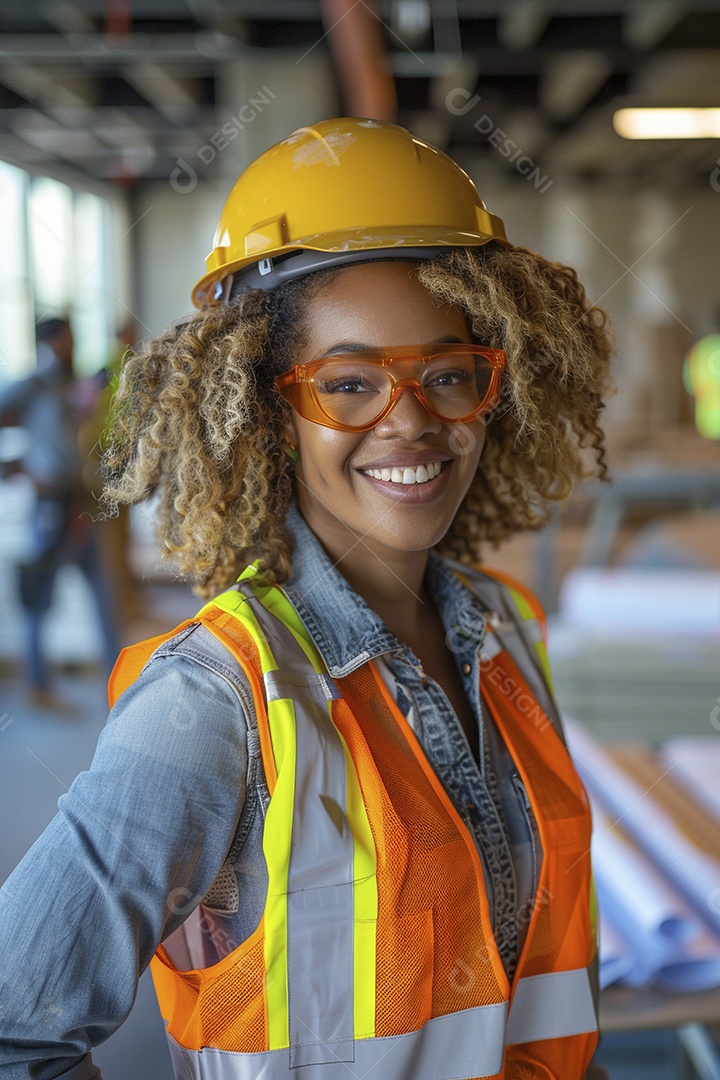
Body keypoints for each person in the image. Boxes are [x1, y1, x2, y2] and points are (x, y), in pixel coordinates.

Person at [0, 119, 613, 1078]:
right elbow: (15, 1031)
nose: (410, 421)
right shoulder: (215, 702)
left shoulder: (505, 634)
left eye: (449, 375)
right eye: (350, 383)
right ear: (272, 414)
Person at [0, 317, 120, 705]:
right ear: (51, 341)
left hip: (83, 503)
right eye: (65, 337)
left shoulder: (75, 384)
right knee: (40, 596)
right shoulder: (33, 386)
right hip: (50, 507)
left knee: (103, 594)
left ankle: (116, 682)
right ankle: (37, 683)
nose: (71, 343)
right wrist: (17, 469)